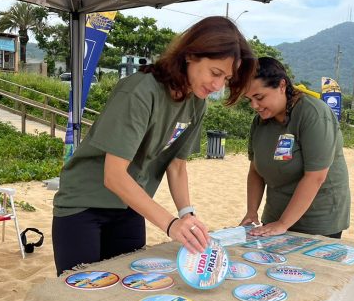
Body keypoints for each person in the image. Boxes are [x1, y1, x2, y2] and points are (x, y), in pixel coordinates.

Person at [51, 16, 257, 276]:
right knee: (80, 289)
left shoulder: (197, 103)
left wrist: (187, 214)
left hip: (131, 205)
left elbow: (177, 165)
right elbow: (113, 176)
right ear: (190, 55)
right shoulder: (141, 90)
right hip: (83, 205)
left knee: (129, 286)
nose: (218, 86)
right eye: (215, 73)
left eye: (226, 79)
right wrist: (171, 225)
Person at [241, 57, 350, 239]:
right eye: (249, 99)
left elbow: (316, 176)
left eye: (259, 97)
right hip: (275, 218)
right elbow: (255, 170)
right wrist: (251, 212)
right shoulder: (260, 122)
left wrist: (284, 223)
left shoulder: (313, 113)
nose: (254, 106)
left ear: (282, 85)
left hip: (318, 221)